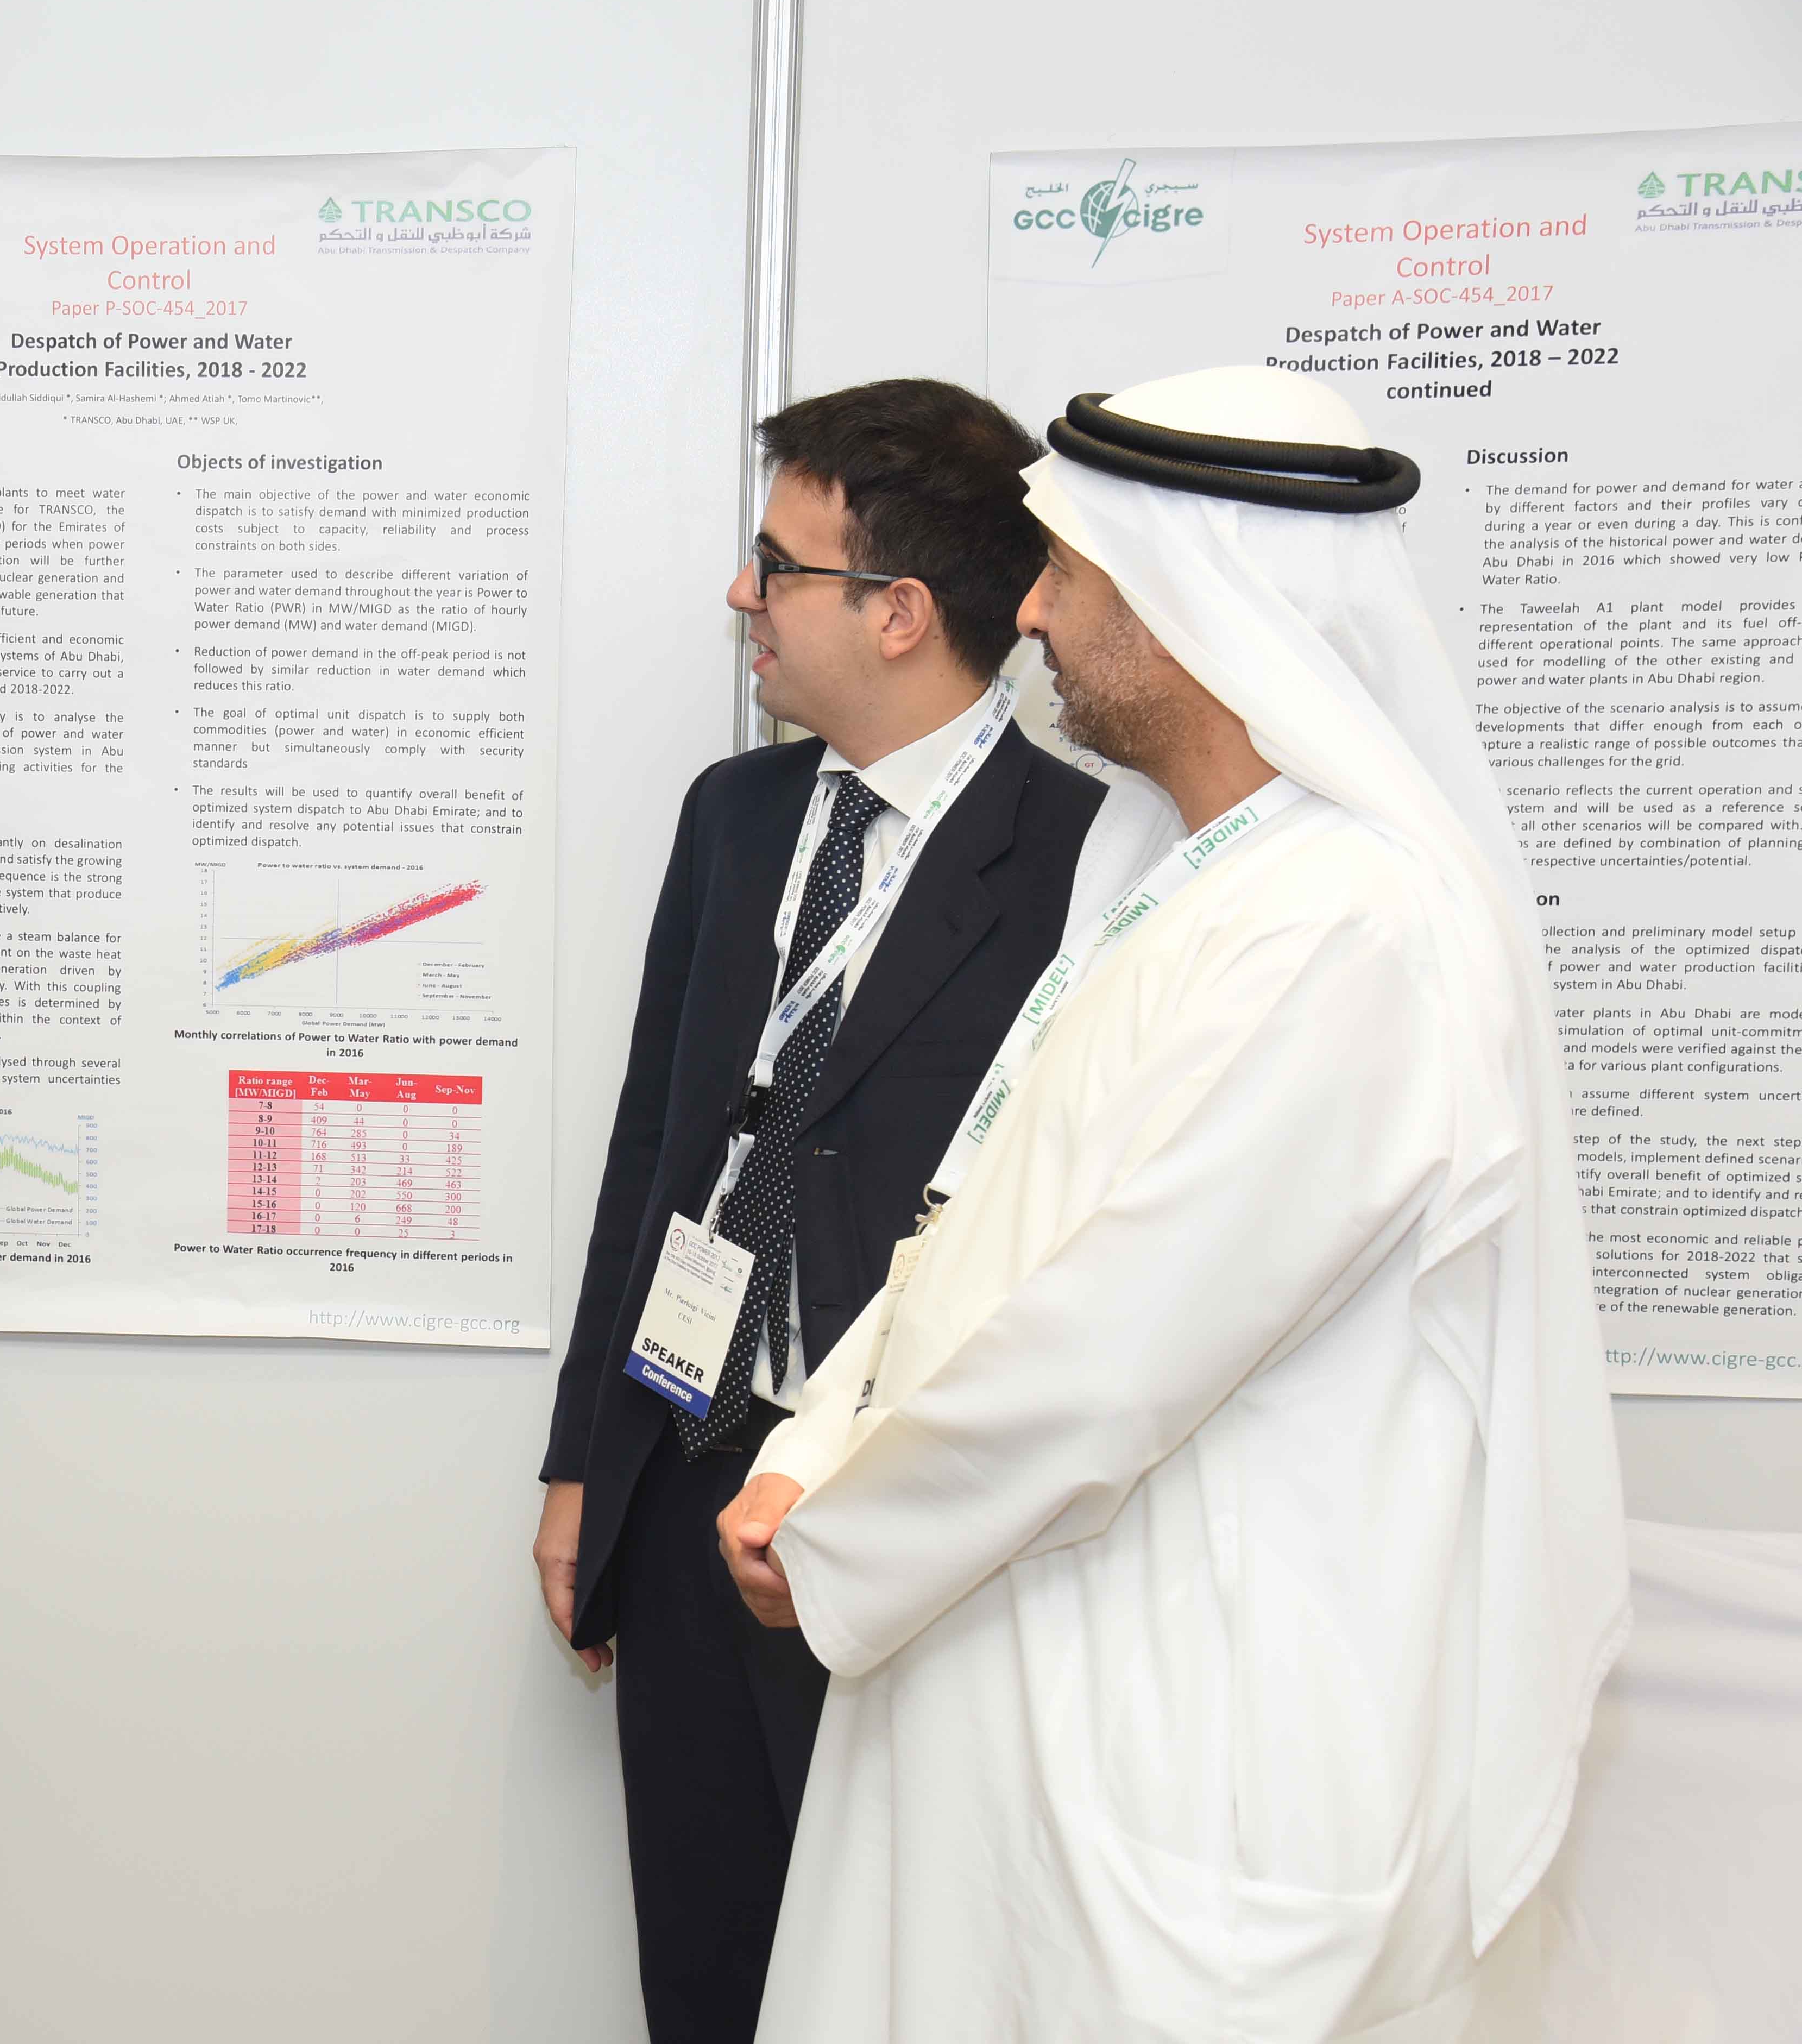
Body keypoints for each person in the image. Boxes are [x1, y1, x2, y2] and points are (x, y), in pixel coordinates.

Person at [720, 367, 1631, 2043]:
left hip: (1191, 1741)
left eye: (1070, 574)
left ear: (1200, 603)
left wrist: (838, 1529)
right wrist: (811, 1450)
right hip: (1026, 1679)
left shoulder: (1359, 932)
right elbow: (976, 1225)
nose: (1034, 614)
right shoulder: (1187, 877)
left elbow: (1109, 1349)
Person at [535, 380, 1125, 2041]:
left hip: (900, 1518)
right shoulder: (734, 820)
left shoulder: (1087, 858)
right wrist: (585, 1463)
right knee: (705, 1973)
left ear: (900, 611)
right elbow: (656, 1150)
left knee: (899, 1983)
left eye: (776, 566)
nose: (743, 596)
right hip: (683, 1469)